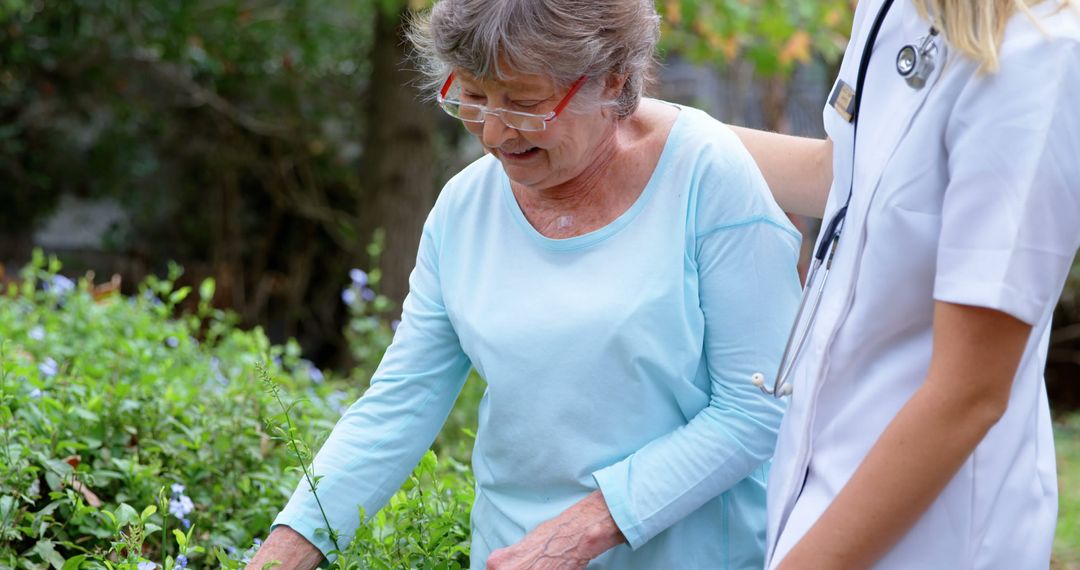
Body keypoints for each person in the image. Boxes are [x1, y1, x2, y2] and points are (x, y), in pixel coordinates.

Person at [248, 0, 802, 568]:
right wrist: (282, 553)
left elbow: (756, 410)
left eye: (524, 104)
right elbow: (399, 404)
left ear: (611, 82)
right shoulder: (465, 208)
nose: (492, 131)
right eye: (473, 95)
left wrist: (586, 527)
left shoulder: (709, 178)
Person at [730, 0, 1080, 567]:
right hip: (820, 491)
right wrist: (664, 132)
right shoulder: (893, 9)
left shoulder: (1042, 55)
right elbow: (841, 177)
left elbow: (968, 396)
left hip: (931, 533)